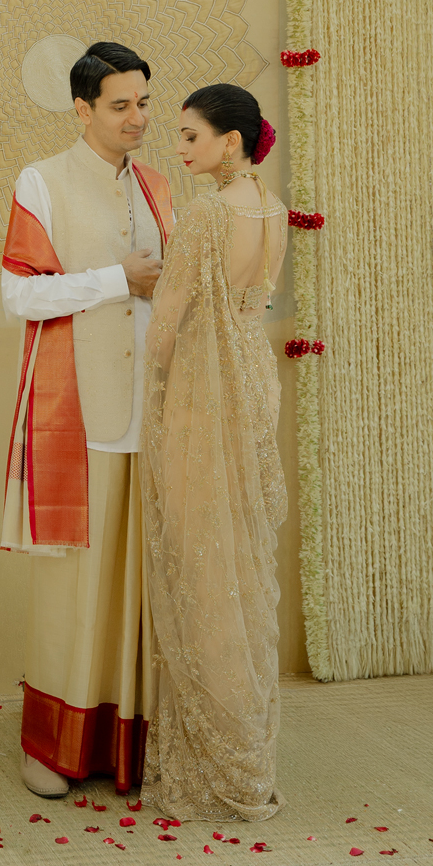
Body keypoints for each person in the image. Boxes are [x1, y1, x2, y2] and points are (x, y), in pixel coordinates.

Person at [0, 41, 173, 798]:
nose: (137, 118)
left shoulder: (159, 186)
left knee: (139, 582)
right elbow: (20, 294)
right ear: (82, 109)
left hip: (152, 406)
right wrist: (116, 279)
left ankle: (126, 745)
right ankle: (52, 746)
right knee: (73, 585)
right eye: (120, 105)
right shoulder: (41, 181)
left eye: (144, 103)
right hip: (76, 407)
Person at [139, 83, 287, 823]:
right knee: (240, 561)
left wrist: (157, 381)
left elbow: (167, 322)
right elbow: (254, 303)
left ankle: (214, 754)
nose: (179, 148)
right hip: (255, 382)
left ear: (232, 141)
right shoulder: (273, 209)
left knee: (201, 562)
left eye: (190, 136)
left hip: (205, 394)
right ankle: (247, 741)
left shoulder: (204, 214)